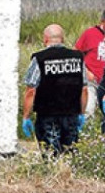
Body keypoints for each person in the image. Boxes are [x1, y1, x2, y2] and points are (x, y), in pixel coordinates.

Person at [22, 24, 88, 155]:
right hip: (71, 115)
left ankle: (55, 175)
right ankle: (69, 175)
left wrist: (26, 116)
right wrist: (81, 113)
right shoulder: (77, 58)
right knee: (70, 154)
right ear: (62, 39)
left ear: (45, 39)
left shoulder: (40, 59)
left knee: (51, 155)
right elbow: (84, 89)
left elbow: (31, 90)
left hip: (47, 115)